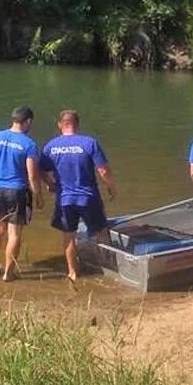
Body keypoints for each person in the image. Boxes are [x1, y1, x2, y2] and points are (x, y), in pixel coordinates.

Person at [40, 110, 117, 281]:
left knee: (68, 235)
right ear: (78, 125)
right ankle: (110, 270)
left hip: (64, 199)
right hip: (88, 197)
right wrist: (111, 187)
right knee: (101, 232)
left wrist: (50, 184)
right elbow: (103, 170)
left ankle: (73, 273)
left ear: (60, 125)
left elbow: (40, 170)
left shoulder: (50, 146)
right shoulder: (89, 143)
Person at [0, 106, 43, 281]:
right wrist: (38, 196)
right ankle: (8, 273)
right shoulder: (29, 144)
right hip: (17, 190)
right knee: (14, 233)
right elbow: (32, 175)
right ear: (28, 121)